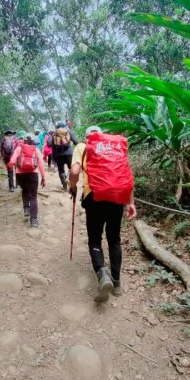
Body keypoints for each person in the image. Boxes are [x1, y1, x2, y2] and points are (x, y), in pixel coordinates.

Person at [69, 126, 137, 303]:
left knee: (95, 239)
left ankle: (102, 274)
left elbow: (75, 172)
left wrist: (72, 186)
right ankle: (117, 282)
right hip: (117, 198)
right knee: (114, 239)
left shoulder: (82, 147)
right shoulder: (114, 148)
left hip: (94, 197)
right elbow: (126, 175)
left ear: (86, 137)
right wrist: (130, 203)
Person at [8, 133, 46, 228]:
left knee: (24, 190)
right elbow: (41, 165)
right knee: (33, 197)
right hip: (33, 174)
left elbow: (12, 161)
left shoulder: (18, 148)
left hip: (20, 175)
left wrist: (10, 166)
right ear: (33, 141)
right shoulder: (36, 150)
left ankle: (26, 209)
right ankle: (34, 220)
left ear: (24, 140)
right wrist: (43, 178)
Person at [48, 121, 78, 190]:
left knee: (61, 170)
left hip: (58, 155)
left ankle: (64, 185)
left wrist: (53, 157)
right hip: (69, 154)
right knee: (71, 168)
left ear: (57, 127)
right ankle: (70, 182)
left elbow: (50, 144)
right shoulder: (68, 132)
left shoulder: (54, 134)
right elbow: (76, 141)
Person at [0, 128, 17, 192]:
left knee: (10, 171)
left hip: (7, 157)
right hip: (15, 156)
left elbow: (1, 149)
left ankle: (11, 187)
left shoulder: (4, 139)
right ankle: (17, 184)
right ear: (13, 133)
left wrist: (3, 157)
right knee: (17, 169)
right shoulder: (15, 138)